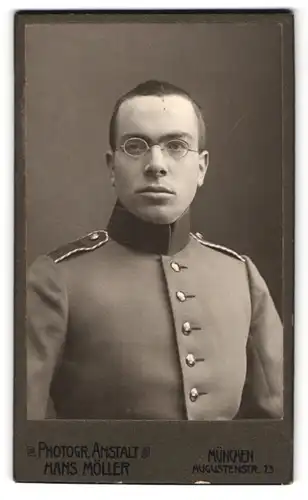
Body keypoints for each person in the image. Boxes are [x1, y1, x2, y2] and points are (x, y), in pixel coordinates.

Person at [27, 80, 283, 420]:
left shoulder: (241, 276)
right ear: (111, 167)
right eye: (136, 146)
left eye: (176, 145)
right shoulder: (56, 278)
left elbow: (280, 436)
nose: (156, 164)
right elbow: (20, 440)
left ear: (202, 168)